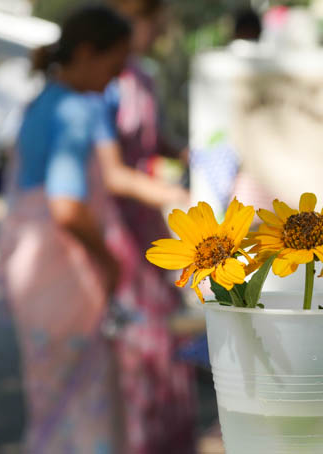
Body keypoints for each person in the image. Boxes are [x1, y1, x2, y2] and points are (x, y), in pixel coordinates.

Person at [0, 6, 133, 453]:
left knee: (50, 404)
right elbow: (68, 207)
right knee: (81, 407)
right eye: (114, 67)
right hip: (61, 276)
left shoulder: (44, 100)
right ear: (89, 52)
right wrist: (109, 262)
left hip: (31, 274)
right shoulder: (74, 109)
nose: (114, 81)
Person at [103, 1, 198, 452]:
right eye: (156, 23)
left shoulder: (144, 76)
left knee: (166, 329)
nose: (161, 32)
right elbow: (107, 171)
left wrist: (186, 154)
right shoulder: (101, 84)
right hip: (114, 227)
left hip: (147, 225)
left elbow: (152, 139)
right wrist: (170, 194)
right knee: (135, 341)